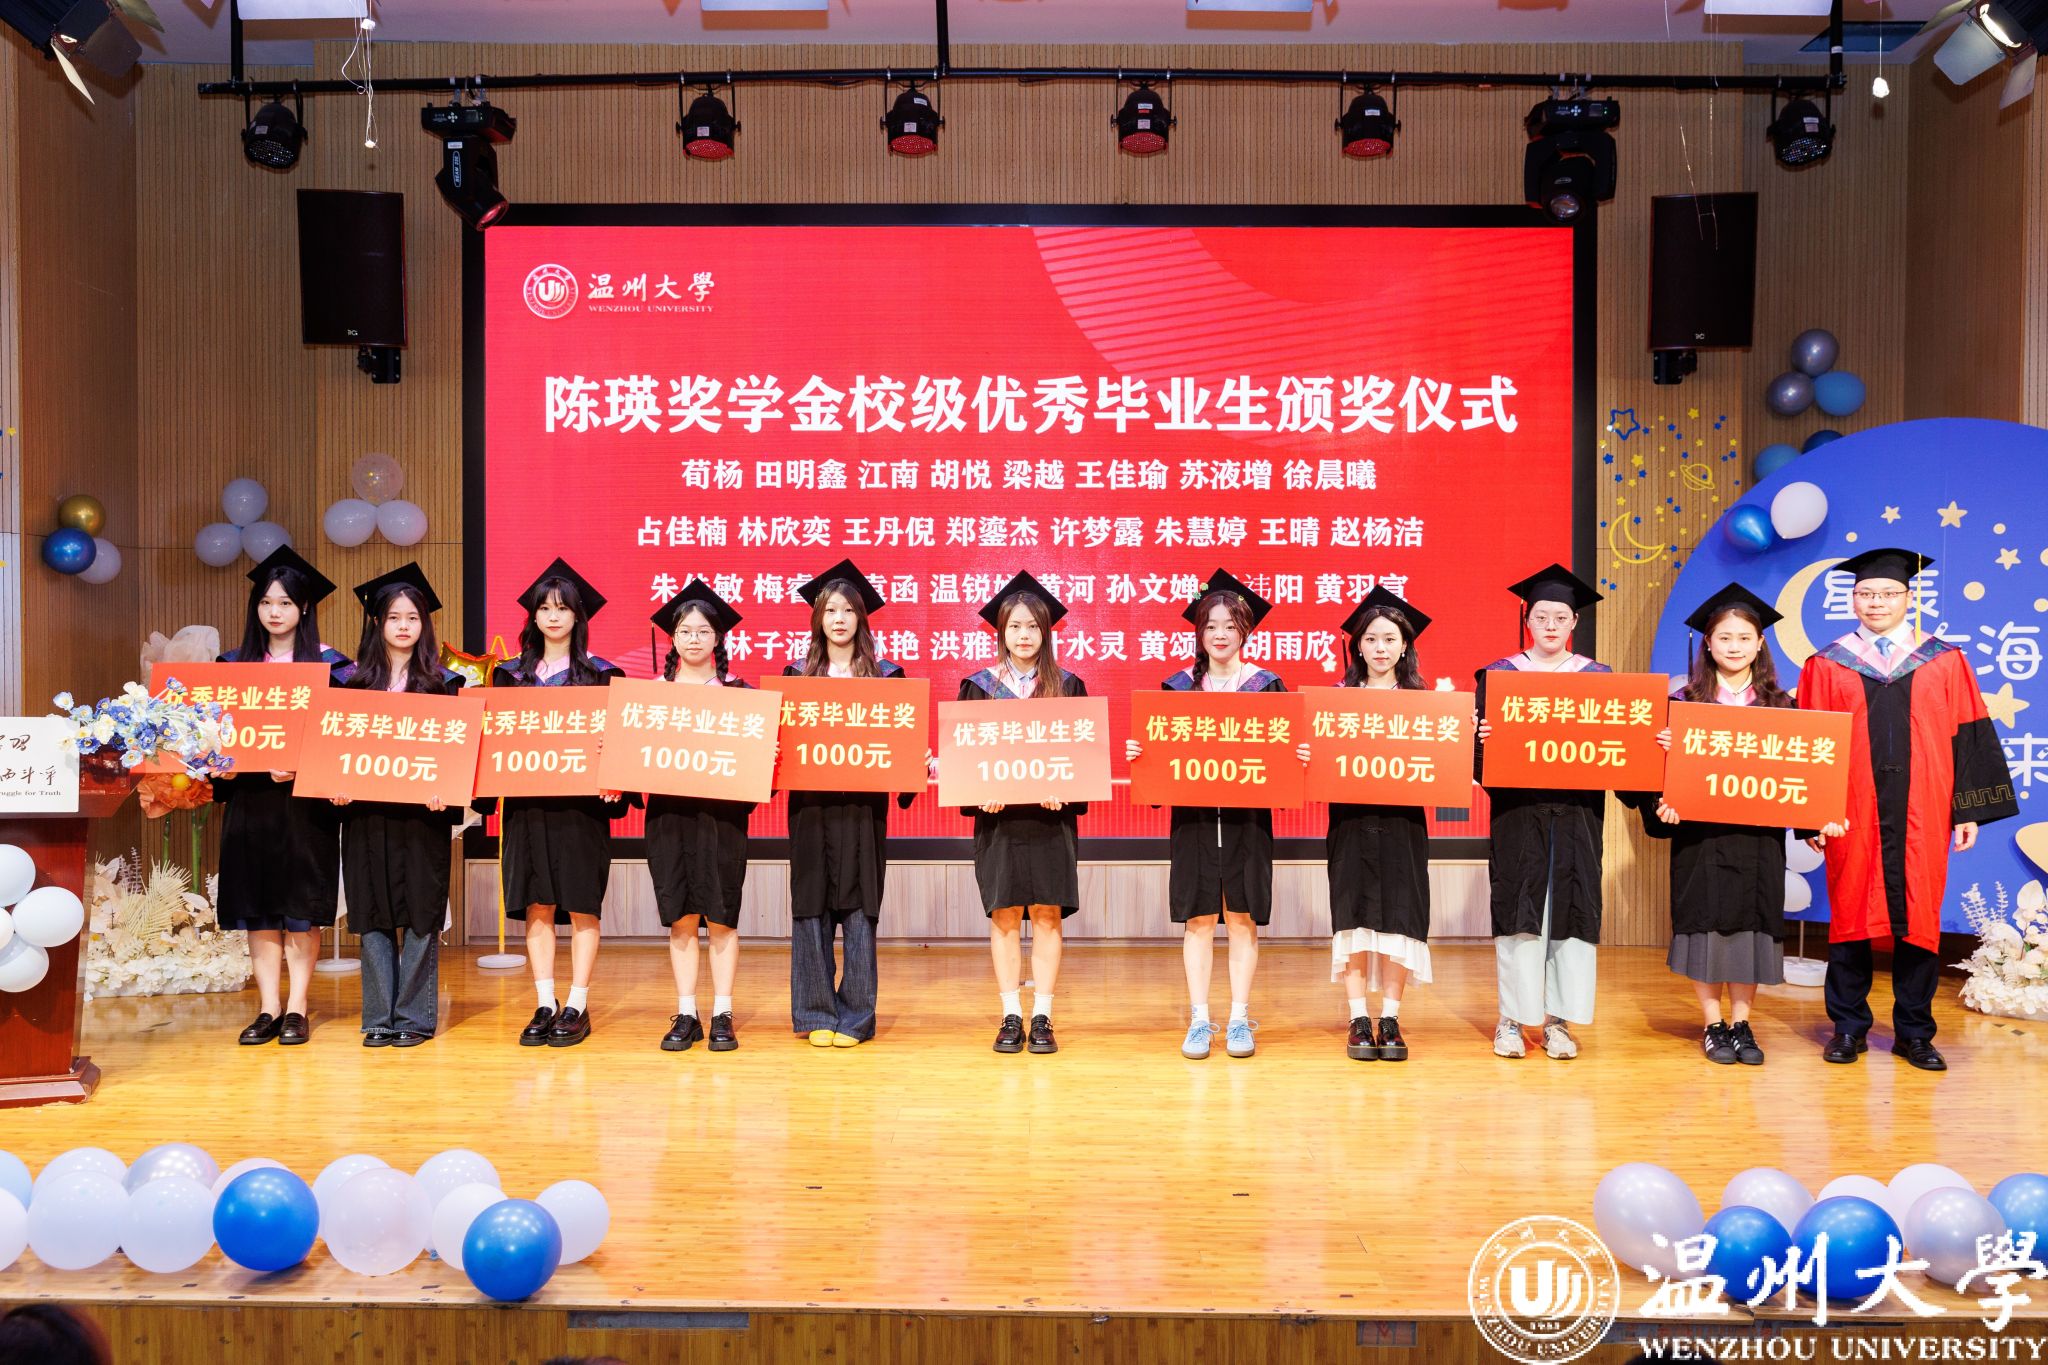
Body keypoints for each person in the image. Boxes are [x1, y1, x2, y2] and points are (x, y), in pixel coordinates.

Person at [1797, 547, 2019, 1071]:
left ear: (1909, 598)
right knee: (1850, 914)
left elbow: (1969, 735)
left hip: (1926, 809)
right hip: (1850, 811)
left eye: (1888, 593)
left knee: (1919, 916)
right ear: (1853, 599)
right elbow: (1807, 742)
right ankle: (1847, 1028)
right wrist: (1811, 814)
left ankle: (1914, 1033)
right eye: (1866, 593)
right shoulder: (1826, 664)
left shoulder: (1943, 660)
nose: (1876, 602)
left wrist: (1968, 809)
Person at [1643, 583, 1844, 1066]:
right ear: (1708, 643)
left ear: (1760, 644)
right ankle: (1713, 1024)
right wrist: (1662, 799)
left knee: (1753, 927)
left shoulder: (1782, 706)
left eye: (1744, 638)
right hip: (1701, 839)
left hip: (1758, 841)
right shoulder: (1682, 702)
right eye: (1724, 637)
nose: (1734, 646)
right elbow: (1654, 776)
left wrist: (1817, 820)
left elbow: (1803, 774)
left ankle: (1742, 1024)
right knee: (1704, 927)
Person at [1125, 569, 1292, 1061]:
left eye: (1230, 626)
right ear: (1199, 632)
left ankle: (1239, 1018)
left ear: (1245, 630)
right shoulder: (1177, 689)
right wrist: (1143, 757)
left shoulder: (1267, 687)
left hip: (1247, 825)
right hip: (1194, 823)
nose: (1220, 634)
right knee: (1198, 919)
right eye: (1211, 625)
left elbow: (1282, 759)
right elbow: (1161, 761)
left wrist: (1296, 759)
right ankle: (1200, 1019)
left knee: (1242, 917)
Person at [1473, 563, 1609, 1062]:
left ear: (1575, 622)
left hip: (1577, 816)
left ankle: (1558, 1021)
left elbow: (1614, 749)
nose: (1551, 626)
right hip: (1519, 814)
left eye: (1561, 617)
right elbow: (1480, 759)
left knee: (1572, 913)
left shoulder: (1598, 679)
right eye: (1541, 617)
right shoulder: (1499, 676)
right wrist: (1481, 742)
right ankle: (1511, 1019)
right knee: (1518, 913)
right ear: (1527, 620)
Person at [783, 559, 921, 1049]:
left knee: (861, 911)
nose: (838, 619)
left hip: (862, 813)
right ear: (817, 618)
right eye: (829, 610)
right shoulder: (796, 678)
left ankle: (857, 1016)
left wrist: (916, 761)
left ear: (861, 617)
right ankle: (816, 1011)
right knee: (810, 909)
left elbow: (902, 752)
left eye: (847, 610)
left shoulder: (887, 678)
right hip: (811, 812)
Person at [216, 546, 351, 1048]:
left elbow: (343, 739)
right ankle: (268, 1006)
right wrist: (230, 763)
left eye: (286, 603)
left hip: (305, 805)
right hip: (252, 804)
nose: (275, 612)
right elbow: (217, 739)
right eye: (266, 602)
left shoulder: (333, 668)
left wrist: (304, 765)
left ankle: (297, 1006)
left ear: (305, 608)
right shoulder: (233, 666)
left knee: (299, 908)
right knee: (259, 908)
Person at [491, 557, 628, 1049]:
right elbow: (493, 742)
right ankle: (545, 1002)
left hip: (580, 812)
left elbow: (619, 743)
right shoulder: (509, 676)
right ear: (533, 616)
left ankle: (577, 1003)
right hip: (528, 808)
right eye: (545, 608)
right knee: (538, 904)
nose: (553, 616)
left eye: (563, 608)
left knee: (582, 904)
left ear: (577, 616)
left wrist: (615, 775)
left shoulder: (602, 676)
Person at [333, 563, 465, 1048]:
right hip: (367, 816)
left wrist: (447, 790)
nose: (404, 626)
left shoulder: (445, 684)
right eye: (393, 617)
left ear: (425, 624)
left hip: (421, 818)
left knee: (421, 912)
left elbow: (457, 754)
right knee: (372, 912)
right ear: (377, 623)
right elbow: (334, 751)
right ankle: (378, 1017)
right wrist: (336, 787)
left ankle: (413, 1017)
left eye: (413, 617)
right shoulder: (349, 685)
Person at [958, 571, 1088, 1056]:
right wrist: (979, 793)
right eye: (1015, 626)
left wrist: (1066, 790)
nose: (1024, 635)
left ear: (1046, 632)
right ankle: (1011, 1013)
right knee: (1005, 915)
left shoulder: (1069, 686)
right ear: (1002, 631)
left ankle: (1043, 1016)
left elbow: (1083, 756)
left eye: (1033, 626)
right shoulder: (978, 687)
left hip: (1052, 820)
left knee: (1049, 915)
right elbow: (966, 757)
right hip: (1000, 822)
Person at [1325, 586, 1437, 1063]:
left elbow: (1440, 767)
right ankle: (1357, 1017)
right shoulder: (1336, 701)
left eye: (1390, 639)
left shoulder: (1423, 703)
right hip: (1350, 823)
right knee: (1352, 917)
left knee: (1399, 918)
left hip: (1402, 824)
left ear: (1405, 645)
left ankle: (1389, 1017)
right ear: (1358, 645)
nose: (1380, 648)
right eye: (1370, 639)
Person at [647, 580, 758, 1054]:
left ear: (718, 638)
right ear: (673, 638)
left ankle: (723, 1014)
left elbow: (754, 767)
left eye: (703, 631)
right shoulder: (651, 697)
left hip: (722, 820)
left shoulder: (740, 695)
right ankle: (687, 1012)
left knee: (722, 917)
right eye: (685, 631)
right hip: (669, 818)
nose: (694, 639)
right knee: (681, 918)